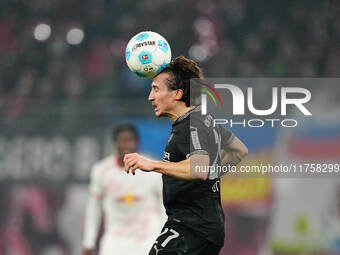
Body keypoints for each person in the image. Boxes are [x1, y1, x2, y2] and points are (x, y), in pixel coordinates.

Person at [124, 56, 248, 254]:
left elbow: (199, 168)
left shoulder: (192, 125)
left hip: (192, 228)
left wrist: (152, 165)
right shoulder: (202, 120)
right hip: (203, 227)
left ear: (177, 94)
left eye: (156, 89)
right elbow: (239, 150)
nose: (150, 97)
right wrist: (211, 174)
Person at [82, 124, 165, 255]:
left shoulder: (152, 167)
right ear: (115, 143)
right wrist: (88, 243)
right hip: (116, 241)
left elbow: (163, 205)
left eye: (130, 140)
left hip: (148, 238)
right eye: (122, 140)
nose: (127, 145)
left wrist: (164, 239)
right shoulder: (102, 171)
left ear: (137, 143)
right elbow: (94, 208)